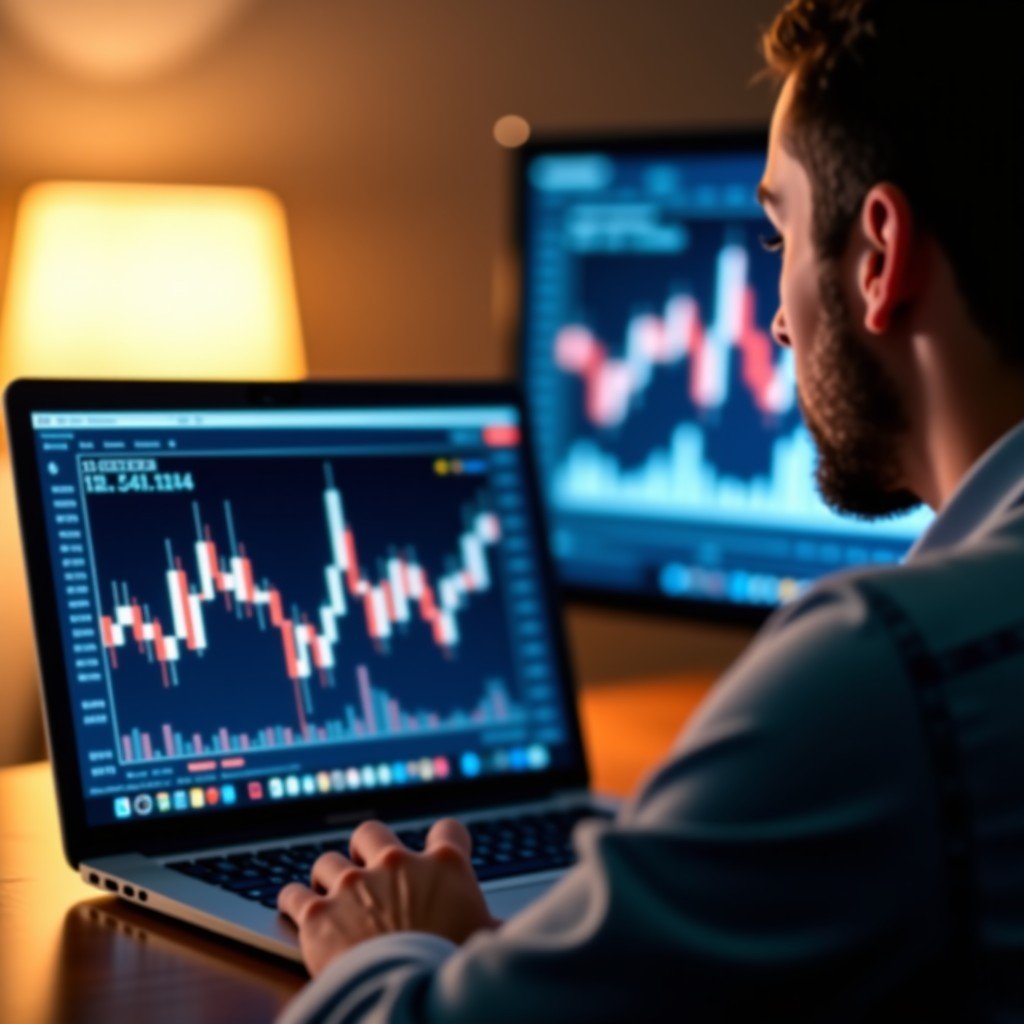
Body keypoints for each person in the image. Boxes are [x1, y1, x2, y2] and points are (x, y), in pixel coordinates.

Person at [276, 2, 1024, 1019]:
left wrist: (389, 948)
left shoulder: (883, 669)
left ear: (878, 255)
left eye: (775, 232)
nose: (769, 317)